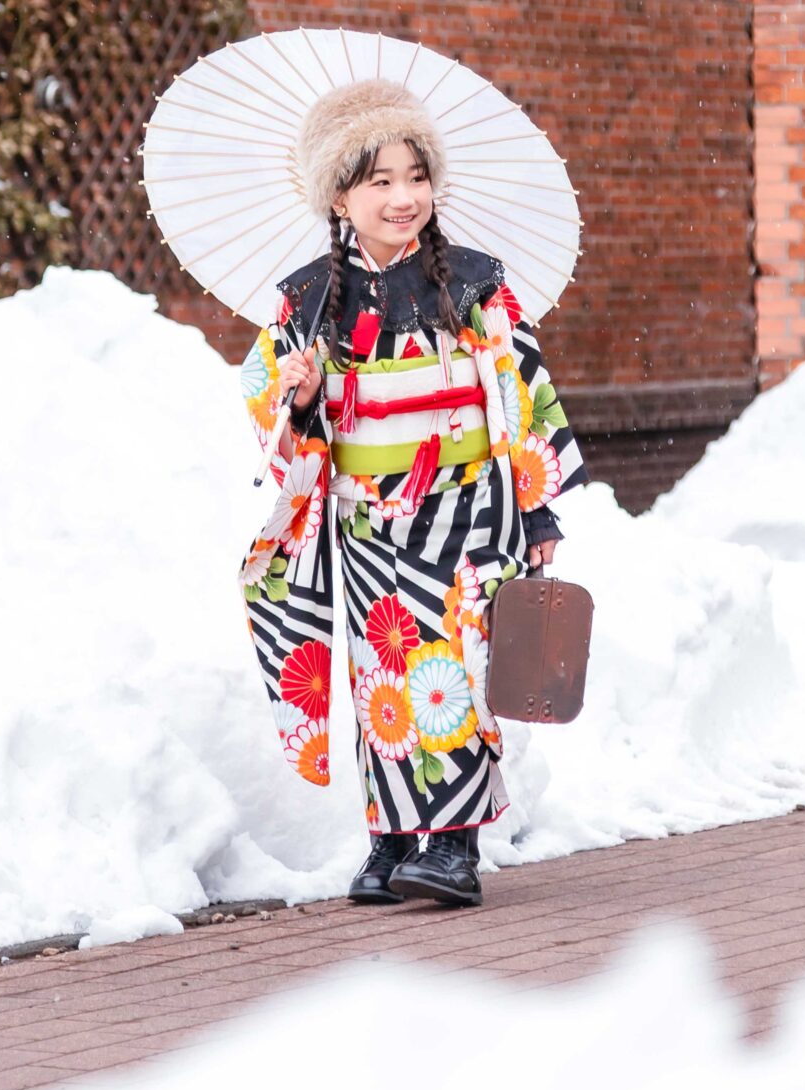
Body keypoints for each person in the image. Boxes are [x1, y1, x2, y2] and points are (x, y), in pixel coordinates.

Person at [238, 78, 586, 909]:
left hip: (467, 505)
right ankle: (390, 842)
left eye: (417, 176)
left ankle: (454, 846)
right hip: (366, 517)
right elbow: (273, 415)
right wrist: (300, 395)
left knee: (456, 667)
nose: (404, 198)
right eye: (380, 181)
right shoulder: (305, 301)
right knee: (382, 679)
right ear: (338, 196)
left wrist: (536, 508)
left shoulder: (472, 284)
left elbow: (522, 392)